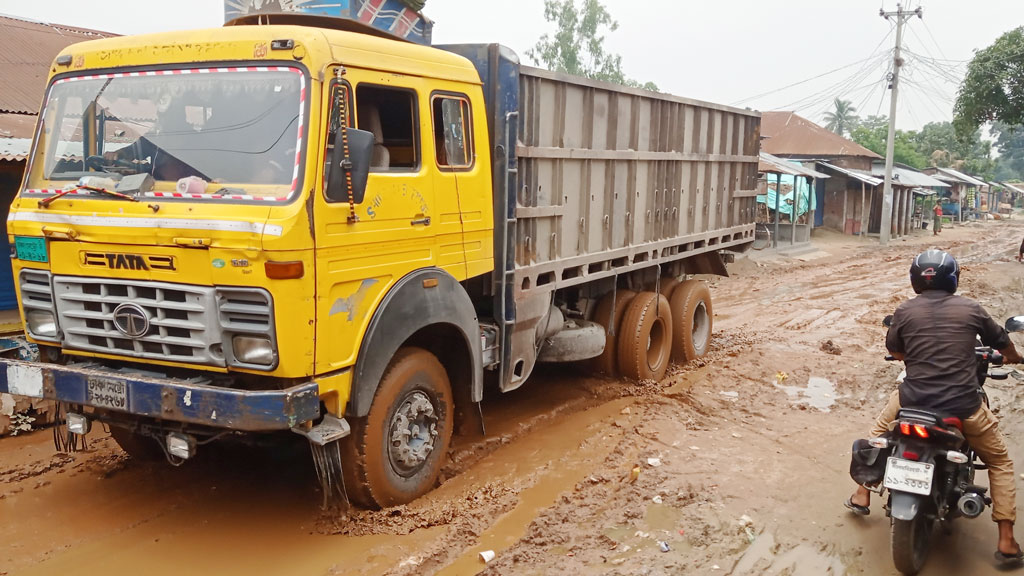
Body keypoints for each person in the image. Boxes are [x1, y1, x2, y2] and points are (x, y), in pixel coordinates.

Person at [845, 249, 1024, 564]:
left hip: (913, 400)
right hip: (963, 406)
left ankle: (862, 493)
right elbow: (1001, 343)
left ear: (916, 280)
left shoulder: (904, 311)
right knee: (999, 461)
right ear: (953, 278)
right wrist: (1013, 356)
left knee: (877, 433)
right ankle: (1007, 541)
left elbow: (895, 351)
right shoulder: (971, 308)